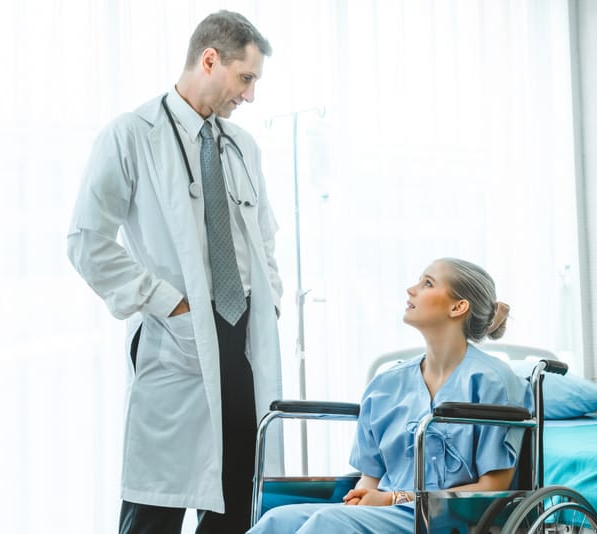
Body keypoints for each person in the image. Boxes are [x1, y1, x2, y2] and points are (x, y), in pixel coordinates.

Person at [66, 10, 282, 534]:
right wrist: (169, 303)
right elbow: (87, 241)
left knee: (237, 497)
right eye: (245, 79)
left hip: (243, 337)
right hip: (176, 335)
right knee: (156, 504)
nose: (250, 96)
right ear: (210, 59)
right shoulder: (131, 135)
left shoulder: (241, 146)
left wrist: (269, 299)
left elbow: (264, 239)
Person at [248, 258, 531, 533]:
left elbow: (493, 488)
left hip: (445, 518)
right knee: (278, 521)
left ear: (458, 307)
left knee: (328, 523)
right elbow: (370, 479)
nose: (411, 289)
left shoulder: (494, 382)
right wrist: (361, 500)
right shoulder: (386, 384)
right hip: (384, 512)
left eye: (427, 283)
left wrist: (393, 499)